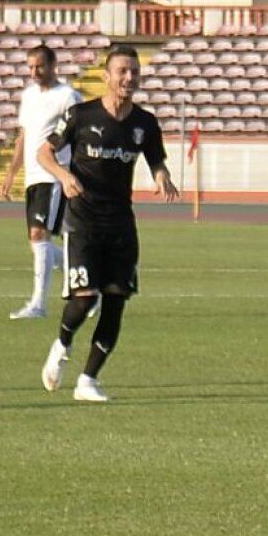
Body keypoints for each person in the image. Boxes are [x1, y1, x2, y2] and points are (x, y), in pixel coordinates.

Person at [38, 44, 179, 402]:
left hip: (121, 224)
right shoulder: (81, 115)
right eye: (122, 71)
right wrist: (62, 176)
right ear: (107, 76)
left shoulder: (144, 123)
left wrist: (162, 176)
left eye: (134, 71)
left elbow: (155, 160)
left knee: (116, 300)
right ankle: (62, 345)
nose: (129, 78)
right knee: (85, 299)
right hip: (83, 221)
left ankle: (88, 380)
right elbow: (44, 152)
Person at [1, 45, 82, 320]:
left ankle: (38, 304)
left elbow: (79, 136)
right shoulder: (28, 96)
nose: (35, 72)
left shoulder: (68, 96)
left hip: (54, 174)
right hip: (33, 177)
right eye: (31, 67)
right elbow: (23, 136)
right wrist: (12, 172)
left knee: (40, 236)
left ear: (53, 65)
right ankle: (86, 271)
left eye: (40, 66)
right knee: (37, 243)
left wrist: (74, 174)